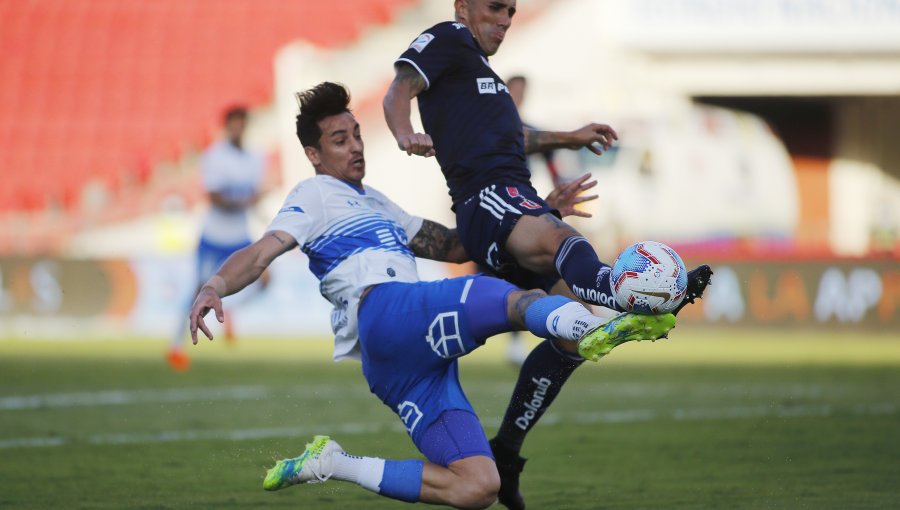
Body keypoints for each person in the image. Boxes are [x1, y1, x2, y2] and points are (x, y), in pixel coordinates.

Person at [188, 82, 675, 508]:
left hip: (398, 364)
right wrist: (214, 286)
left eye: (357, 134)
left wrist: (536, 212)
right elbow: (261, 252)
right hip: (385, 311)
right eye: (340, 140)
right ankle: (592, 329)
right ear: (314, 155)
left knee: (478, 486)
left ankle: (334, 464)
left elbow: (457, 244)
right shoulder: (312, 196)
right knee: (505, 299)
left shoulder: (378, 203)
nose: (356, 146)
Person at [382, 2, 713, 507]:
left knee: (572, 336)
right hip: (488, 199)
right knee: (563, 244)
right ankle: (638, 297)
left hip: (516, 198)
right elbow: (399, 88)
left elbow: (511, 135)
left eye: (512, 10)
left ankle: (507, 453)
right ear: (463, 7)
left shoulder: (479, 74)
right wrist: (404, 132)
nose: (506, 19)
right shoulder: (448, 38)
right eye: (495, 7)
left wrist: (568, 136)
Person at [166, 105, 268, 371]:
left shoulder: (256, 158)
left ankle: (230, 307)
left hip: (240, 237)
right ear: (226, 127)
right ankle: (176, 346)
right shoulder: (214, 156)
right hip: (214, 236)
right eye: (233, 124)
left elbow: (255, 196)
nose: (238, 128)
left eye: (242, 123)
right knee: (198, 291)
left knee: (266, 279)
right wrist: (246, 201)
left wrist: (260, 212)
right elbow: (215, 198)